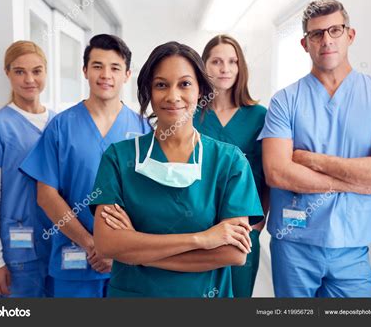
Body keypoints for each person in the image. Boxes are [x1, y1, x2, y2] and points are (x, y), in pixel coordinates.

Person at [89, 41, 264, 297]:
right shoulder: (119, 157)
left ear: (201, 90)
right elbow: (107, 244)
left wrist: (136, 250)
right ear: (149, 90)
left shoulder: (229, 162)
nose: (173, 96)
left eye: (184, 84)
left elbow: (234, 253)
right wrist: (202, 239)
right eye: (161, 85)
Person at [258, 0, 371, 297]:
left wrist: (312, 160)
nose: (327, 40)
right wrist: (356, 182)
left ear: (350, 35)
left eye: (335, 30)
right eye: (316, 34)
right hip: (293, 242)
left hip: (353, 247)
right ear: (304, 43)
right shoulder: (285, 100)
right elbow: (277, 173)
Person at [19, 34, 150, 297]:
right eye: (97, 66)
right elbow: (46, 195)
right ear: (85, 71)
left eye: (114, 68)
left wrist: (117, 249)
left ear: (127, 74)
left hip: (127, 264)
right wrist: (92, 244)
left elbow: (149, 199)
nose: (106, 75)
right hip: (75, 257)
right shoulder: (61, 126)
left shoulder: (143, 129)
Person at [0, 40, 56, 297]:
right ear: (7, 73)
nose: (29, 79)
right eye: (19, 71)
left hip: (60, 245)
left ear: (46, 72)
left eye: (37, 70)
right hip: (18, 253)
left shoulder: (59, 122)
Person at [194, 34, 268, 297]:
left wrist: (258, 225)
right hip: (198, 228)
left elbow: (267, 175)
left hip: (243, 230)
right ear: (203, 66)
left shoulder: (260, 116)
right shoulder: (191, 115)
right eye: (216, 61)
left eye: (232, 61)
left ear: (241, 67)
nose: (225, 69)